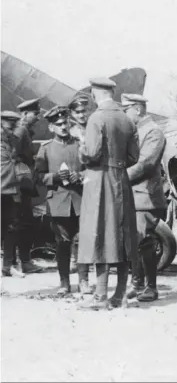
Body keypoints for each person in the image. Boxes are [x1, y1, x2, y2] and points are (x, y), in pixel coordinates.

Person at [77, 77, 140, 310]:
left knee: (101, 233)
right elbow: (134, 157)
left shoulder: (96, 118)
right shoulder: (127, 119)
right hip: (122, 180)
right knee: (122, 237)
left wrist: (81, 145)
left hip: (100, 180)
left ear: (96, 93)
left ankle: (100, 297)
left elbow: (92, 153)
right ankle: (120, 295)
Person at [34, 106, 92, 295]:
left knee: (83, 241)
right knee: (62, 243)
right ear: (51, 128)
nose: (63, 127)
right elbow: (38, 177)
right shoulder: (46, 149)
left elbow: (91, 169)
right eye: (58, 124)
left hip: (80, 200)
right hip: (58, 202)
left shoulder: (79, 145)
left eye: (65, 123)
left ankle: (84, 281)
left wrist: (81, 176)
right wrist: (55, 178)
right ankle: (64, 282)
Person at [121, 93, 167, 303]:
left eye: (126, 110)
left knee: (144, 241)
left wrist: (119, 178)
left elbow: (146, 163)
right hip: (132, 195)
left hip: (145, 196)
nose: (124, 114)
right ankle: (137, 284)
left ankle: (150, 287)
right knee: (134, 241)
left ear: (137, 109)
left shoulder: (153, 132)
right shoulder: (135, 131)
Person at [12, 98, 43, 274]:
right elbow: (14, 156)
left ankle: (21, 261)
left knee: (23, 221)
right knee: (22, 222)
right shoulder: (21, 130)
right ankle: (21, 262)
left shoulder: (25, 130)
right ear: (25, 114)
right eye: (35, 114)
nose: (38, 117)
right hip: (20, 184)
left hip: (22, 182)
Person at [1, 111, 26, 277]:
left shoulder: (12, 141)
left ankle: (8, 265)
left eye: (14, 124)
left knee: (12, 227)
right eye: (10, 124)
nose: (13, 128)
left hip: (9, 190)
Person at [67, 95, 91, 272]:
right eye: (77, 112)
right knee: (72, 224)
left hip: (90, 180)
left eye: (84, 111)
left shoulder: (93, 128)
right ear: (71, 114)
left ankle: (85, 259)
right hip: (73, 182)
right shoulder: (69, 132)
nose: (81, 115)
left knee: (88, 224)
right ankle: (74, 259)